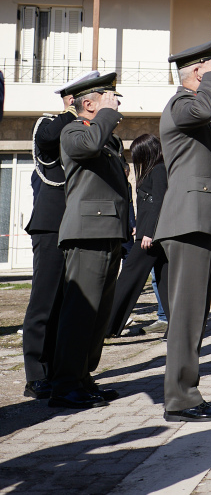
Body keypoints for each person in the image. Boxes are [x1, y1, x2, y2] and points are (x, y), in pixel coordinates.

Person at [153, 41, 211, 422]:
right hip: (189, 220)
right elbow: (204, 106)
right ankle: (181, 399)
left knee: (195, 314)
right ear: (198, 73)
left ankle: (187, 393)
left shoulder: (196, 109)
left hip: (203, 219)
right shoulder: (182, 103)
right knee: (186, 316)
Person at [47, 72, 129, 410]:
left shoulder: (107, 138)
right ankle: (64, 384)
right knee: (80, 311)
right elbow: (89, 145)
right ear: (89, 104)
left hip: (108, 230)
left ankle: (83, 377)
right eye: (108, 98)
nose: (116, 103)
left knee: (98, 314)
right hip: (86, 232)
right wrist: (106, 118)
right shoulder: (74, 130)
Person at [21, 71, 96, 400]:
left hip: (77, 225)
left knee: (68, 302)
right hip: (51, 224)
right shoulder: (49, 123)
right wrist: (72, 110)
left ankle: (61, 369)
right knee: (45, 300)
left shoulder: (84, 133)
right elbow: (48, 138)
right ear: (72, 99)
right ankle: (36, 373)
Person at [106, 133, 169, 339]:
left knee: (127, 279)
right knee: (163, 281)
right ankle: (175, 324)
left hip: (150, 239)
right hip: (147, 235)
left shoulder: (159, 170)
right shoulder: (155, 170)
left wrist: (148, 233)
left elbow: (159, 203)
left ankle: (108, 327)